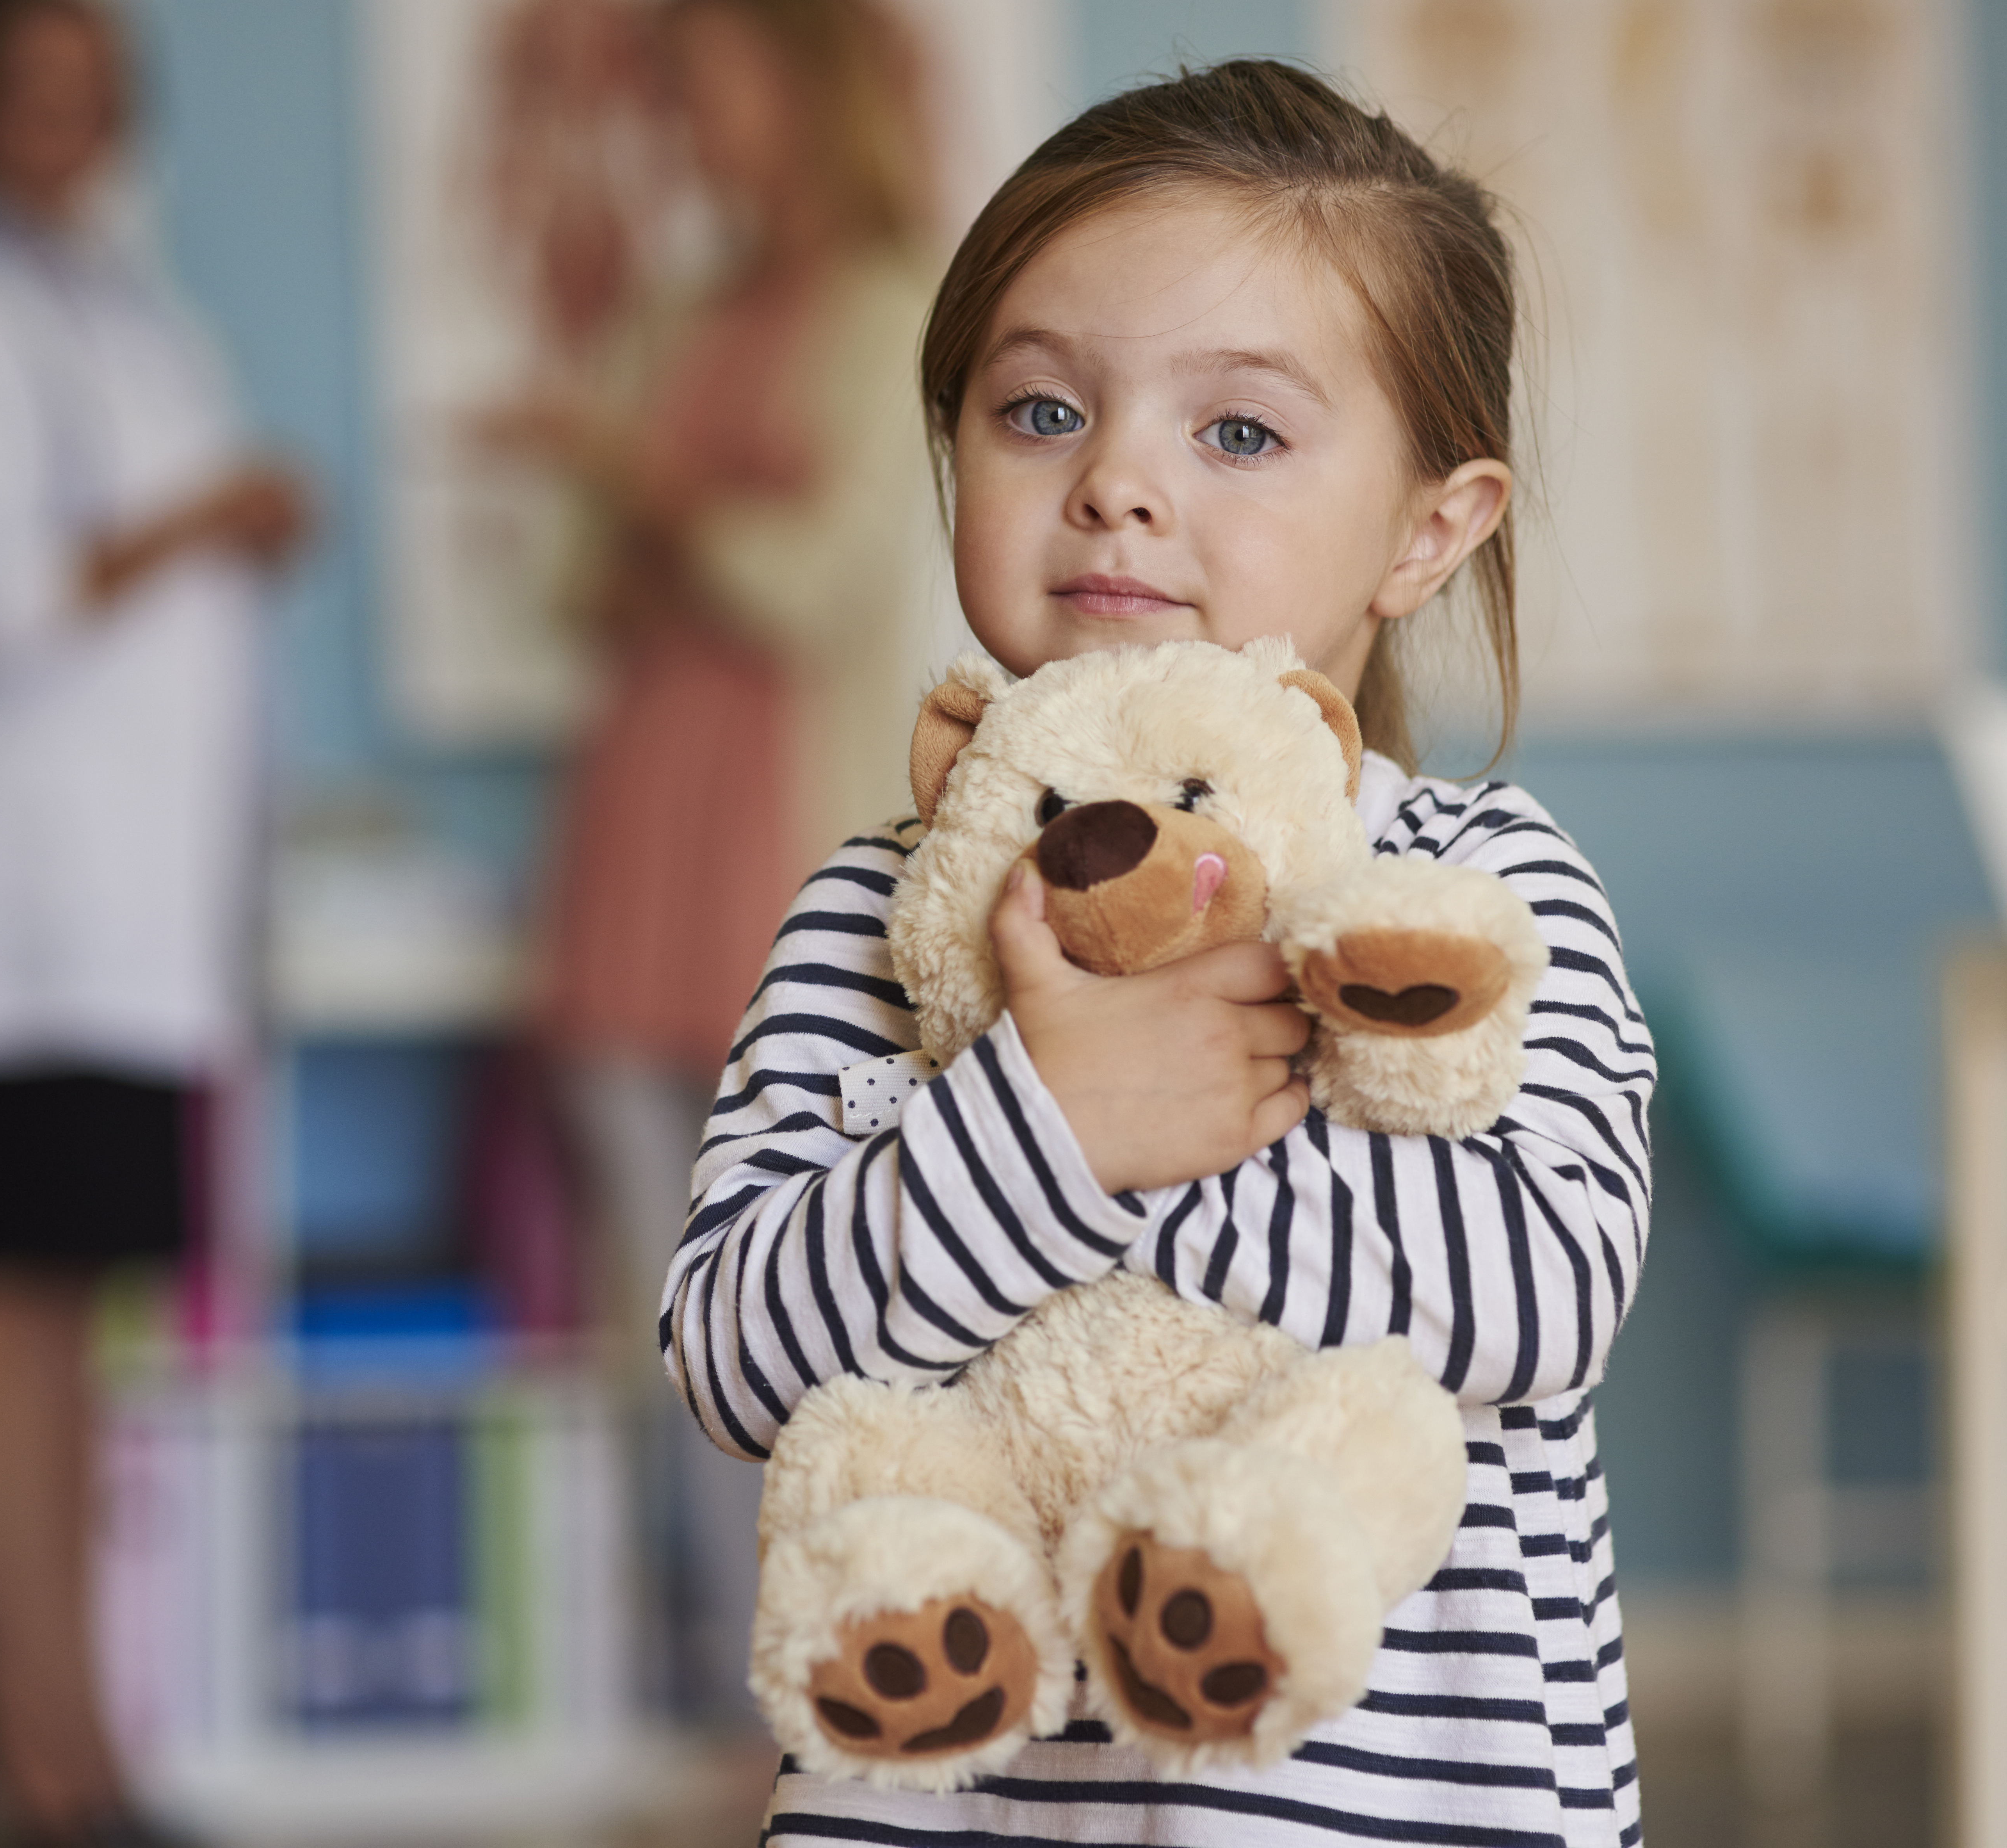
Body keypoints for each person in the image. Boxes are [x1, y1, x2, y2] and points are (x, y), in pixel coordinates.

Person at [663, 61, 1654, 1846]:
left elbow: (1545, 1289)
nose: (1115, 482)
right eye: (1038, 412)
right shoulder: (873, 916)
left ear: (1431, 530)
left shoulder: (1472, 890)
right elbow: (736, 1358)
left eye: (1241, 433)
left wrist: (1156, 1144)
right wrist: (1047, 1116)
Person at [0, 2, 304, 1842]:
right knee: (5, 1310)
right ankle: (35, 1755)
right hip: (41, 914)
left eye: (93, 92)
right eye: (29, 91)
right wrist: (210, 513)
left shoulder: (125, 309)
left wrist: (221, 525)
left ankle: (80, 1745)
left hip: (145, 913)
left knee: (69, 1323)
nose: (67, 123)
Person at [517, 0, 952, 1716]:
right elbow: (579, 583)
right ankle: (726, 1685)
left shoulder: (889, 303)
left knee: (808, 1289)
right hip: (635, 821)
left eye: (703, 87)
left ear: (799, 86)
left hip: (780, 842)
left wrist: (639, 488)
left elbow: (810, 577)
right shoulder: (681, 310)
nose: (683, 123)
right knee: (664, 1290)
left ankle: (836, 1677)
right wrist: (661, 521)